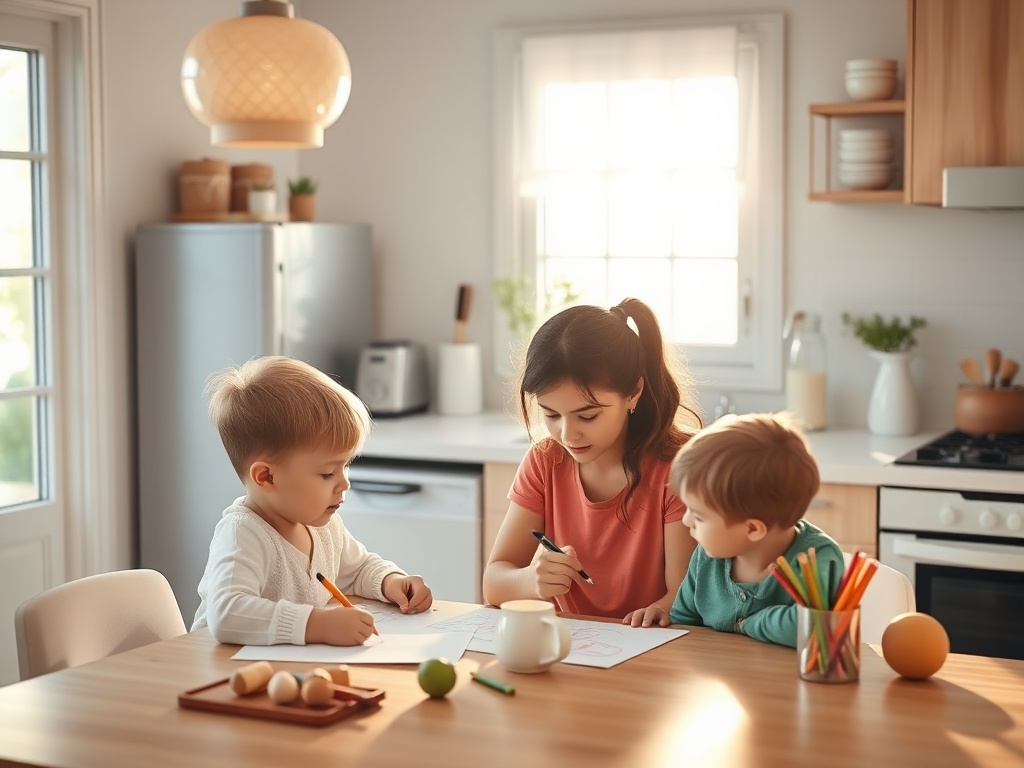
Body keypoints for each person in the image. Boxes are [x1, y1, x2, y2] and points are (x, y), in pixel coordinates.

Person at [483, 297, 703, 625]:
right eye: (551, 415)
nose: (568, 435)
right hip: (570, 650)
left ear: (633, 392)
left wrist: (662, 610)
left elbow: (686, 596)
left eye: (587, 416)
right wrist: (531, 580)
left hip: (653, 650)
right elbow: (494, 584)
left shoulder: (679, 465)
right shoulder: (546, 462)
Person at [192, 355, 432, 646]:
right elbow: (227, 613)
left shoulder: (323, 526)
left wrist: (389, 582)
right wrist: (316, 625)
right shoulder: (243, 534)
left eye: (346, 466)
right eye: (328, 473)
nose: (345, 482)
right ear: (266, 477)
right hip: (219, 678)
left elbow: (356, 570)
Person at [668, 412, 844, 647]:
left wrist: (751, 624)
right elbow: (683, 623)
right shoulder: (707, 558)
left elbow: (811, 625)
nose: (686, 521)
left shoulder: (816, 559)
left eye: (699, 516)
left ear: (753, 528)